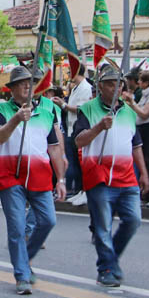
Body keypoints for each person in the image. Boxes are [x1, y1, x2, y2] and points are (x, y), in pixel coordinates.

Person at [72, 62, 149, 287]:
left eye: (118, 83)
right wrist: (98, 128)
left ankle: (111, 258)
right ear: (100, 86)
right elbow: (78, 141)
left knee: (133, 220)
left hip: (126, 176)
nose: (114, 88)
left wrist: (143, 173)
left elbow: (136, 145)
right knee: (103, 226)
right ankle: (106, 268)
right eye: (109, 84)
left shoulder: (127, 111)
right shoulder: (87, 109)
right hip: (99, 176)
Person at [0, 66, 65, 294]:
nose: (27, 86)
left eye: (31, 82)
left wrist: (60, 178)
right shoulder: (0, 110)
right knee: (16, 227)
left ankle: (25, 256)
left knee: (48, 220)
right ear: (11, 89)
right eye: (21, 83)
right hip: (10, 176)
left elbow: (53, 147)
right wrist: (15, 120)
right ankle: (21, 274)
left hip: (40, 175)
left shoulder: (47, 109)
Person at [125, 70, 149, 207]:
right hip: (142, 129)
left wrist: (132, 103)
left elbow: (145, 113)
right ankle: (145, 193)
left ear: (147, 82)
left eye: (141, 81)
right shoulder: (146, 94)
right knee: (145, 162)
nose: (139, 83)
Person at [62, 63, 94, 207]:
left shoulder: (86, 88)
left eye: (70, 71)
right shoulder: (74, 88)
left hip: (79, 129)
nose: (69, 74)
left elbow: (82, 108)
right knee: (74, 161)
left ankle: (82, 190)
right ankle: (79, 190)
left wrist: (64, 105)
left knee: (80, 162)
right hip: (71, 129)